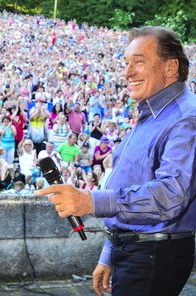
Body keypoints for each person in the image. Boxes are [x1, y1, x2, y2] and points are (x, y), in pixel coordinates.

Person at [36, 27, 196, 296]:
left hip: (153, 254)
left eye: (139, 61)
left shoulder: (185, 118)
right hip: (139, 250)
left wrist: (89, 201)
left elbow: (171, 195)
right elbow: (131, 181)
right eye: (126, 63)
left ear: (171, 67)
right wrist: (110, 252)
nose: (127, 72)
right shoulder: (153, 113)